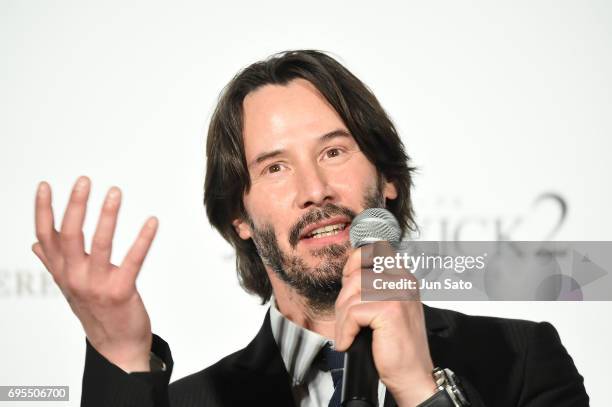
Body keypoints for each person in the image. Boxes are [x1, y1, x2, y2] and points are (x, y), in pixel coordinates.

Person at [32, 50, 589, 407]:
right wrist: (123, 357)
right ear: (240, 217)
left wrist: (423, 392)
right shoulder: (196, 402)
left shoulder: (521, 359)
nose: (314, 188)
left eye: (335, 150)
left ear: (388, 178)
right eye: (274, 167)